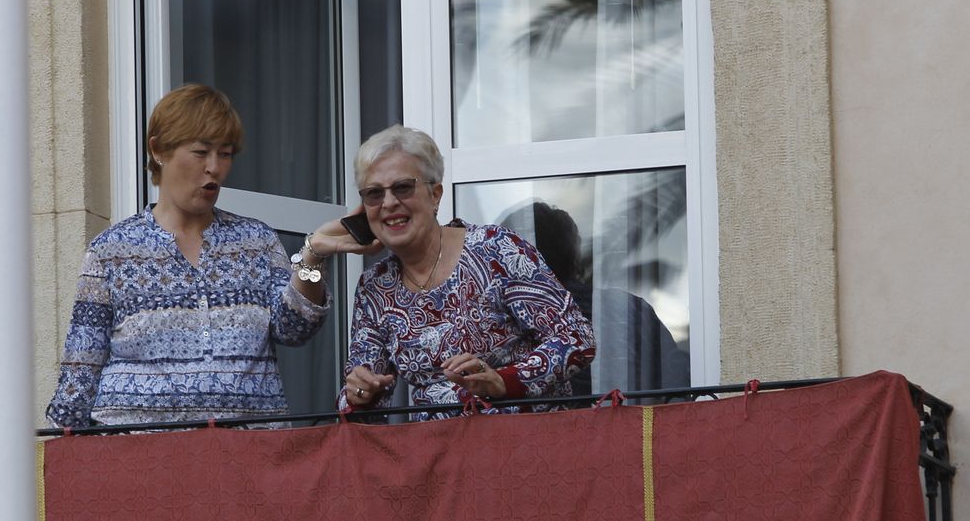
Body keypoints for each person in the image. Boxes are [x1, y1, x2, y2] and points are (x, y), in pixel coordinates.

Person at [45, 84, 349, 428]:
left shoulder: (257, 240)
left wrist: (312, 258)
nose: (215, 168)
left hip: (249, 457)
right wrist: (62, 460)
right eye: (201, 152)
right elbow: (80, 369)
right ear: (159, 150)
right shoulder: (110, 250)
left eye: (226, 154)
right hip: (137, 461)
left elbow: (295, 328)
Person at [313, 125, 595, 419]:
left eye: (403, 187)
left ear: (435, 195)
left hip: (525, 445)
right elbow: (360, 405)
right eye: (374, 194)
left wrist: (502, 382)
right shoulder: (376, 288)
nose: (389, 203)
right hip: (436, 456)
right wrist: (360, 394)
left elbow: (576, 339)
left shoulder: (496, 250)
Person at [501, 200, 691, 396]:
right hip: (625, 424)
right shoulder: (626, 309)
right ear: (573, 254)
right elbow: (678, 386)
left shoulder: (497, 324)